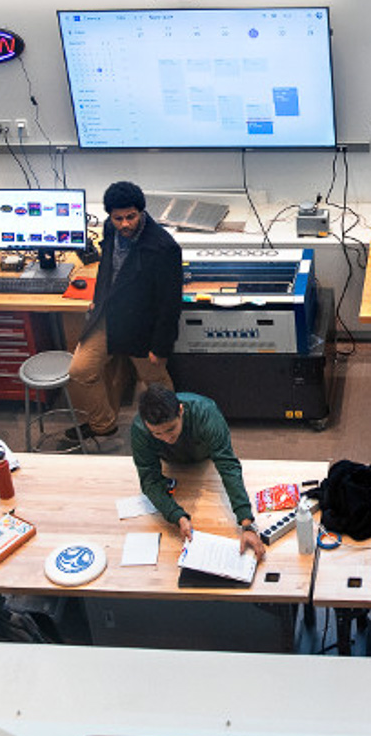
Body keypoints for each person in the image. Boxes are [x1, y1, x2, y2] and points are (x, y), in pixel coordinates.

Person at [68, 180, 182, 437]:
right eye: (118, 218)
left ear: (141, 211)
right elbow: (106, 267)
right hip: (109, 317)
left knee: (156, 384)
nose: (125, 224)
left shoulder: (164, 248)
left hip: (143, 328)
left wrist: (161, 347)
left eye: (130, 217)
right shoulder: (110, 228)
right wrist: (98, 298)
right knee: (80, 370)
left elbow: (169, 304)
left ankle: (173, 429)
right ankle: (103, 424)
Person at [131, 386, 263, 561]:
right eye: (157, 433)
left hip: (205, 461)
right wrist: (176, 516)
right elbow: (150, 480)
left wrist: (246, 523)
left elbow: (227, 465)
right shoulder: (140, 428)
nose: (166, 438)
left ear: (181, 410)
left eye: (170, 429)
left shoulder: (206, 412)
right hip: (171, 464)